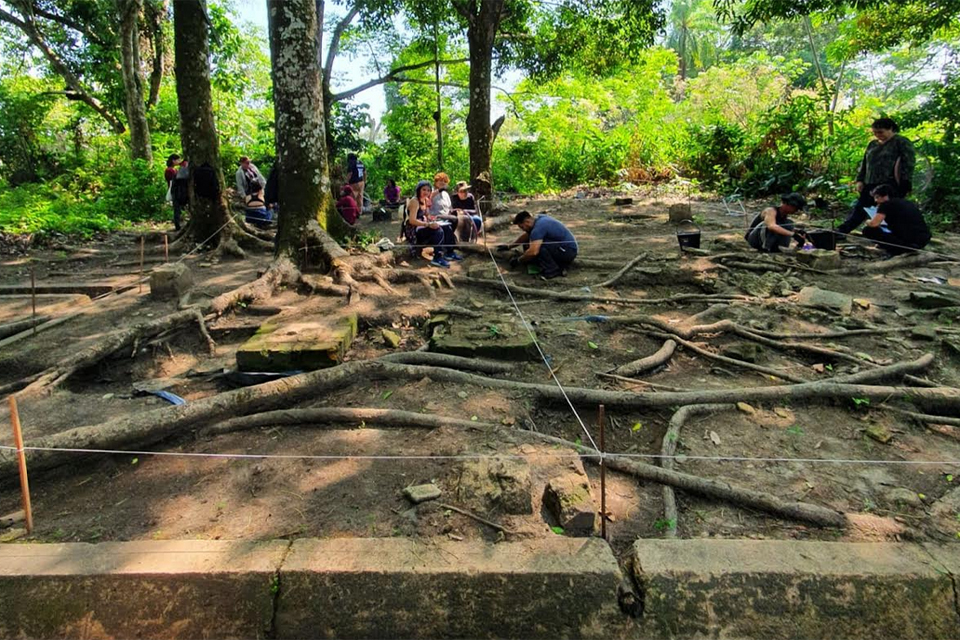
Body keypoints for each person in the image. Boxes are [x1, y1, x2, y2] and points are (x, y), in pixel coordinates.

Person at [837, 118, 916, 236]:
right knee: (861, 208)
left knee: (890, 212)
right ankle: (842, 231)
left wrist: (905, 182)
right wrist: (860, 179)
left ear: (890, 129)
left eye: (881, 132)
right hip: (870, 182)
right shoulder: (872, 144)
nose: (878, 135)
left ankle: (897, 237)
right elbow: (865, 162)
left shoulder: (901, 142)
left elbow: (908, 163)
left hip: (890, 185)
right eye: (875, 133)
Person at [498, 211, 578, 279]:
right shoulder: (538, 220)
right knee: (528, 244)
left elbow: (533, 252)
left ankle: (553, 270)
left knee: (538, 248)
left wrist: (518, 260)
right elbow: (526, 236)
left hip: (568, 251)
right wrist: (509, 246)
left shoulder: (538, 228)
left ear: (527, 222)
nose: (522, 229)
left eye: (522, 227)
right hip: (562, 247)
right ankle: (546, 265)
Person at [862, 185, 931, 256]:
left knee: (868, 230)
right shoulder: (906, 202)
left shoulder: (885, 205)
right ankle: (889, 246)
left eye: (877, 197)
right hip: (922, 240)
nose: (875, 200)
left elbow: (874, 224)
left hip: (908, 242)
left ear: (885, 196)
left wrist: (867, 221)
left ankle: (896, 251)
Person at [164, 154, 183, 231]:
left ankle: (178, 224)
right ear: (173, 161)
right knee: (177, 209)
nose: (179, 161)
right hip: (175, 190)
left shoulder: (174, 170)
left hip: (177, 190)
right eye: (177, 160)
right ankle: (177, 225)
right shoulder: (170, 170)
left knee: (178, 208)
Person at [170, 159, 190, 231]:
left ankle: (178, 226)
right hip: (180, 194)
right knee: (177, 211)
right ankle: (178, 226)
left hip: (178, 194)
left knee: (177, 211)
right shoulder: (184, 172)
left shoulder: (178, 173)